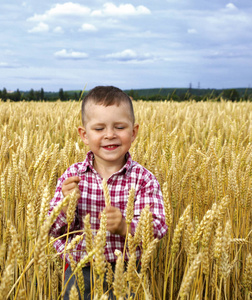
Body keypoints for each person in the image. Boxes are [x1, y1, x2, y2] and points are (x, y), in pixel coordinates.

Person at [49, 86, 168, 299]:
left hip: (128, 270)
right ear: (84, 135)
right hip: (80, 270)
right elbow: (50, 228)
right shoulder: (72, 176)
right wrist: (65, 207)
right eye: (99, 129)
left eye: (120, 127)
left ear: (133, 132)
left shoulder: (143, 179)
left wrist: (125, 226)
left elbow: (158, 227)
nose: (110, 135)